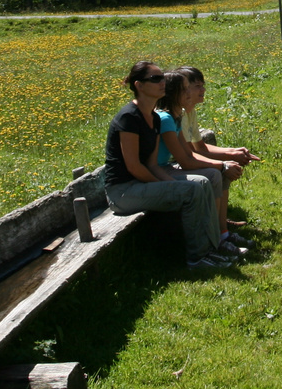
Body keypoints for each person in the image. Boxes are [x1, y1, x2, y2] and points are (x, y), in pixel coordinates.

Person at [102, 61, 238, 270]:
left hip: (142, 182)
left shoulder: (154, 118)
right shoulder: (128, 117)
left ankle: (215, 245)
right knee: (193, 189)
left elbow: (152, 163)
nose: (162, 82)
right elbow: (133, 167)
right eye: (155, 79)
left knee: (201, 183)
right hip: (123, 191)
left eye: (162, 78)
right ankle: (197, 258)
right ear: (139, 85)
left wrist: (170, 183)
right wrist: (165, 185)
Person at [157, 71, 249, 253]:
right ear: (174, 93)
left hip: (168, 167)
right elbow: (186, 158)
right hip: (162, 170)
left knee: (216, 174)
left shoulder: (177, 116)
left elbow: (195, 150)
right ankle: (213, 239)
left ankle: (221, 233)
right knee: (214, 175)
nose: (193, 92)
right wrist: (223, 164)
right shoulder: (168, 118)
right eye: (188, 88)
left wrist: (230, 155)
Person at [175, 65, 259, 232]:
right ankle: (218, 228)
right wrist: (226, 162)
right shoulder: (180, 114)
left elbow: (200, 146)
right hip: (175, 164)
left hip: (184, 160)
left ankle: (220, 223)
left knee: (222, 171)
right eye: (197, 86)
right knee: (219, 172)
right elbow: (191, 153)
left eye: (203, 85)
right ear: (183, 89)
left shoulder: (190, 112)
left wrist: (233, 152)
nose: (203, 89)